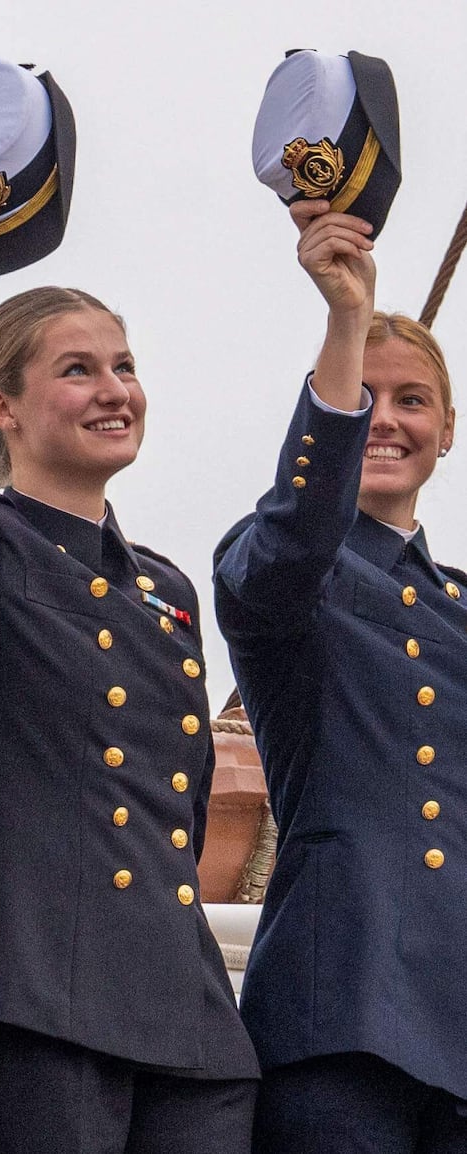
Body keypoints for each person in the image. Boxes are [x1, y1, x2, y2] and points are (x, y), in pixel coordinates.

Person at [0, 176, 260, 1154]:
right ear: (1, 408)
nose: (113, 389)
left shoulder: (164, 588)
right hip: (27, 991)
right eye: (78, 370)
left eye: (123, 366)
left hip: (183, 1017)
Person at [214, 199, 467, 1153]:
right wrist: (345, 326)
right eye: (369, 395)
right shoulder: (282, 560)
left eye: (414, 401)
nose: (389, 420)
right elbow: (291, 538)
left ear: (448, 430)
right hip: (341, 1014)